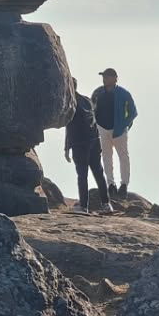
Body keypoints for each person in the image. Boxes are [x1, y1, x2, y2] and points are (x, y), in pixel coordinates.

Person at [65, 79, 113, 215]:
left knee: (82, 174)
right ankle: (106, 205)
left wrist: (66, 147)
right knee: (98, 172)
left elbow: (68, 125)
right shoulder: (87, 100)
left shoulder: (70, 103)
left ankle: (83, 206)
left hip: (80, 143)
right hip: (94, 140)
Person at [91, 68, 139, 198]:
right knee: (107, 156)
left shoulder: (123, 93)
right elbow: (91, 110)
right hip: (102, 129)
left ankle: (124, 185)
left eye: (107, 76)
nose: (104, 79)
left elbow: (133, 112)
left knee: (123, 157)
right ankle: (111, 184)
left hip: (119, 130)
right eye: (104, 76)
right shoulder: (98, 92)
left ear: (115, 78)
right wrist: (96, 126)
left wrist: (124, 126)